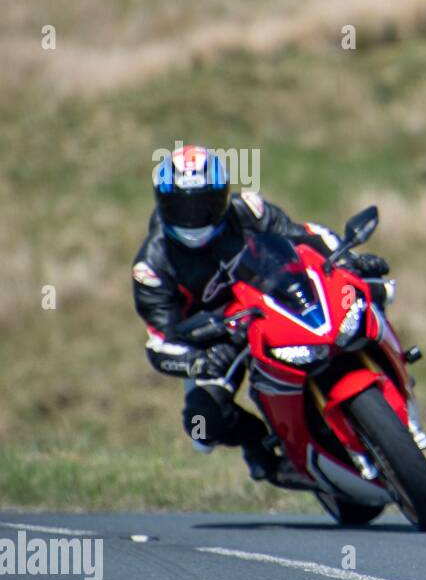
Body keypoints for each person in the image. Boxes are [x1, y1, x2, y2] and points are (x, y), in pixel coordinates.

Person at [132, 145, 390, 484]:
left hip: (279, 300)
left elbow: (305, 235)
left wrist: (346, 261)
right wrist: (198, 362)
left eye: (204, 203)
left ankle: (390, 373)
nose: (194, 217)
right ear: (162, 204)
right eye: (182, 206)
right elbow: (162, 342)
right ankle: (258, 443)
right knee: (202, 425)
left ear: (223, 196)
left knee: (371, 292)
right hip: (218, 339)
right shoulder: (151, 266)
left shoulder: (249, 211)